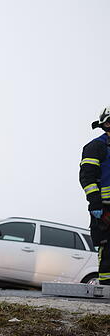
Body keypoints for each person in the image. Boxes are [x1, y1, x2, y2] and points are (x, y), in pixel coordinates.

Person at [79, 107, 110, 284]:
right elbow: (87, 176)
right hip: (105, 207)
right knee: (107, 249)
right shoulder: (96, 147)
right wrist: (95, 202)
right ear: (107, 124)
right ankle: (107, 288)